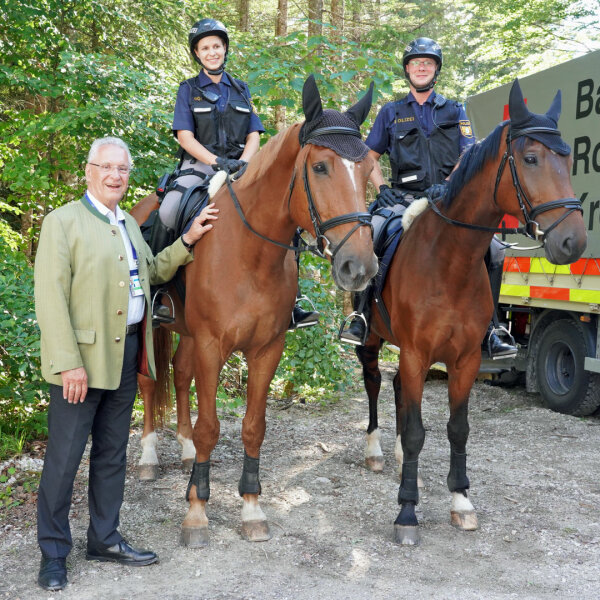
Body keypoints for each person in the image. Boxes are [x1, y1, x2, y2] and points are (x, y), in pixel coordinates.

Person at [34, 137, 218, 592]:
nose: (116, 176)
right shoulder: (63, 222)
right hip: (80, 364)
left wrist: (189, 239)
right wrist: (67, 364)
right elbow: (50, 299)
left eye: (123, 169)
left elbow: (152, 271)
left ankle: (104, 538)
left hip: (127, 357)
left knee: (113, 455)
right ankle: (54, 553)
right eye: (107, 167)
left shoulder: (130, 225)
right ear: (89, 171)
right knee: (63, 460)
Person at [339, 37, 517, 358]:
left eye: (428, 63)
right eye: (415, 63)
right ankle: (361, 316)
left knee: (494, 248)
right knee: (371, 234)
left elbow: (469, 153)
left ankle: (493, 328)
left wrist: (448, 184)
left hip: (448, 201)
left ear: (436, 70)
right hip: (402, 200)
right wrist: (382, 189)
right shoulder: (391, 112)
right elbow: (367, 156)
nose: (421, 67)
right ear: (407, 70)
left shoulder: (455, 110)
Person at [150, 17, 318, 329]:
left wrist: (244, 162)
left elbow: (254, 133)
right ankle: (160, 291)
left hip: (242, 167)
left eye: (216, 46)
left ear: (225, 49)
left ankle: (292, 300)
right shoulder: (187, 90)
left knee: (284, 212)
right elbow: (185, 137)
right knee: (170, 210)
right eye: (205, 48)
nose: (212, 52)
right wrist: (216, 161)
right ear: (197, 54)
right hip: (198, 167)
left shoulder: (241, 89)